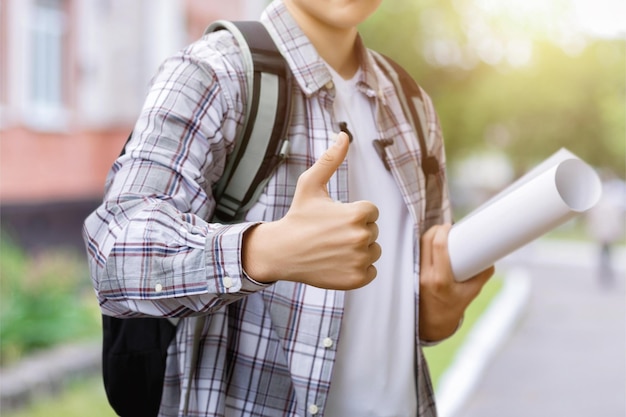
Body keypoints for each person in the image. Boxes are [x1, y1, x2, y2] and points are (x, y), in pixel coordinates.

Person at [83, 0, 494, 416]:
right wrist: (265, 252)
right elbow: (115, 250)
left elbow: (408, 312)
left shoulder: (412, 105)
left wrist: (437, 315)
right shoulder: (212, 72)